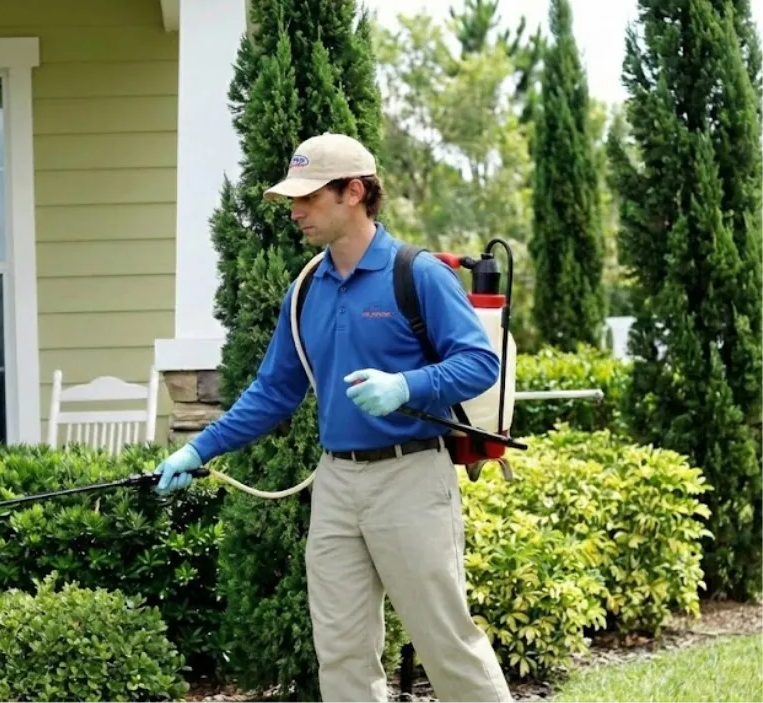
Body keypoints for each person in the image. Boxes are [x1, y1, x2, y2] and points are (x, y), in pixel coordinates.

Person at [153, 132, 513, 702]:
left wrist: (405, 386)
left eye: (309, 197)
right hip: (337, 484)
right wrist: (200, 448)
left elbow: (478, 363)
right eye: (293, 199)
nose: (296, 211)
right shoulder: (304, 290)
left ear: (353, 192)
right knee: (342, 650)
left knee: (446, 641)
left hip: (411, 478)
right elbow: (273, 391)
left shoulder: (416, 274)